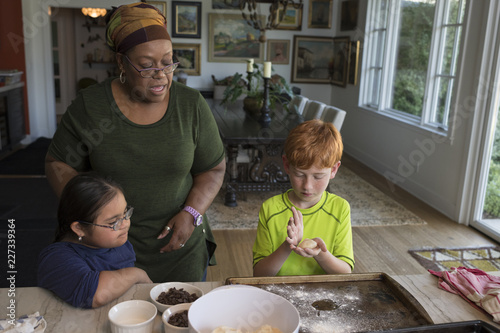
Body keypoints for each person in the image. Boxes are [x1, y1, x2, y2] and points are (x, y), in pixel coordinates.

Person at [44, 2, 226, 282]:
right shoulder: (92, 107)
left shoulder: (191, 105)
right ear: (121, 63)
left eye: (168, 62)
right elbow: (57, 163)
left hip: (180, 247)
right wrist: (90, 214)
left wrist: (191, 213)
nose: (161, 74)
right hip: (107, 255)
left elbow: (212, 168)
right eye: (146, 65)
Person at [253, 119, 354, 276]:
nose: (307, 186)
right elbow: (260, 274)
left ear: (334, 170)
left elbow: (345, 272)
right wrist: (287, 246)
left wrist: (320, 254)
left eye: (318, 176)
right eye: (299, 174)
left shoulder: (340, 209)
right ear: (286, 165)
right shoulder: (270, 208)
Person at [37, 174, 152, 308]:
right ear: (79, 228)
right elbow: (96, 295)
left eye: (125, 213)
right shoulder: (56, 259)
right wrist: (137, 274)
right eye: (114, 222)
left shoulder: (116, 242)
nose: (125, 223)